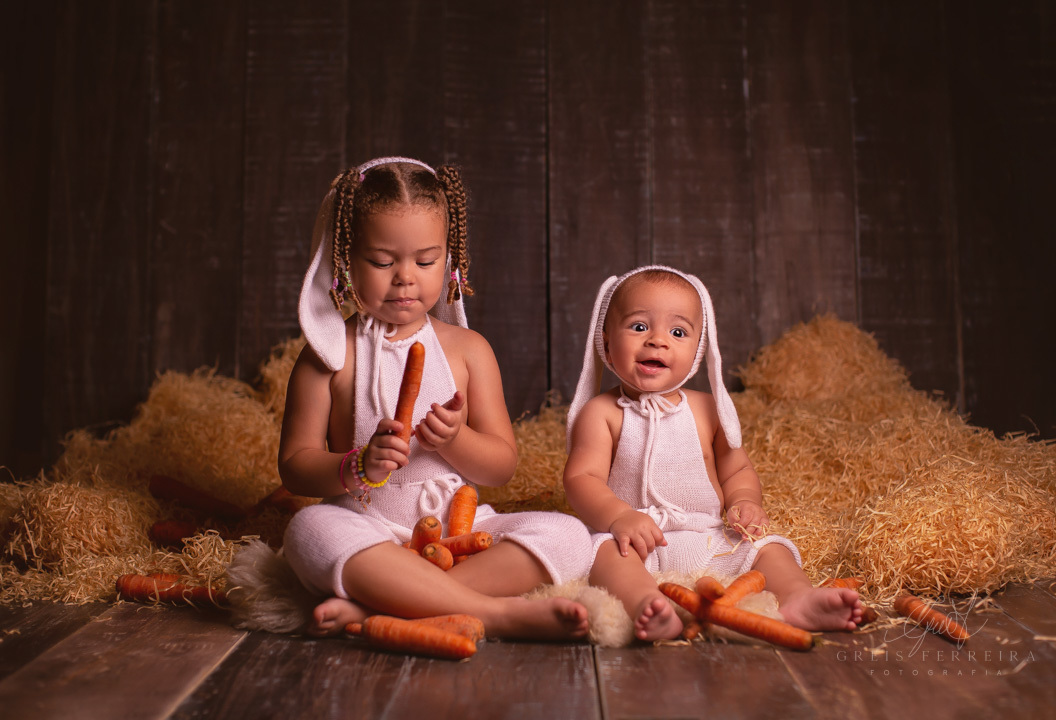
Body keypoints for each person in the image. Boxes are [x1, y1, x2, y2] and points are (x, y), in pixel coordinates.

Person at [280, 156, 591, 641]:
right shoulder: (327, 355)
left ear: (449, 258)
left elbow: (501, 466)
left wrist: (455, 441)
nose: (405, 277)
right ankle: (498, 615)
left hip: (458, 531)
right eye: (382, 261)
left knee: (569, 536)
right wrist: (356, 466)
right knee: (308, 531)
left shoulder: (469, 351)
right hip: (368, 528)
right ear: (345, 259)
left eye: (426, 261)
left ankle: (392, 601)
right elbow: (295, 465)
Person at [562, 265, 863, 641]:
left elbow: (736, 471)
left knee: (769, 548)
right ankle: (646, 605)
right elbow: (580, 479)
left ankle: (798, 598)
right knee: (603, 553)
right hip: (636, 542)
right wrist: (618, 517)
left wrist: (745, 501)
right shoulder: (602, 413)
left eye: (678, 332)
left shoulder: (707, 410)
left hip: (707, 536)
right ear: (605, 342)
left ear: (698, 350)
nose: (657, 341)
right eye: (639, 327)